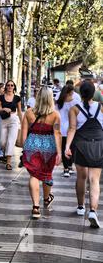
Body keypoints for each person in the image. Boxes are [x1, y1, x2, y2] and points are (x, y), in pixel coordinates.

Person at [65, 81, 103, 228]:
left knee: (81, 177)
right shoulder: (101, 107)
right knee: (94, 180)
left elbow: (72, 129)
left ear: (80, 94)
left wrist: (67, 147)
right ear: (93, 93)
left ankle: (81, 207)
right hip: (99, 145)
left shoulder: (74, 109)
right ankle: (93, 210)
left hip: (81, 146)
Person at [22, 87, 62, 219]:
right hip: (49, 148)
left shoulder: (28, 113)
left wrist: (25, 148)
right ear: (51, 99)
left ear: (38, 97)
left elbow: (23, 136)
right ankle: (46, 198)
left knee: (34, 175)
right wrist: (59, 153)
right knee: (46, 174)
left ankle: (35, 207)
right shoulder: (55, 115)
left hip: (31, 146)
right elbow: (57, 134)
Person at [0, 80, 23, 170]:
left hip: (13, 119)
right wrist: (3, 109)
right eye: (8, 85)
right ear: (6, 87)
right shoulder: (1, 97)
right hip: (3, 120)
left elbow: (19, 112)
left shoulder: (17, 98)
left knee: (11, 141)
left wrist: (22, 123)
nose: (10, 87)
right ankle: (5, 153)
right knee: (2, 142)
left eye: (12, 85)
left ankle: (8, 162)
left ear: (14, 87)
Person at [56, 85, 80, 177]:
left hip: (61, 129)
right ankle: (69, 167)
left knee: (63, 148)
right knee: (71, 148)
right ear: (71, 92)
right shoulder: (76, 102)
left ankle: (66, 169)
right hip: (72, 129)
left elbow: (56, 116)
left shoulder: (58, 102)